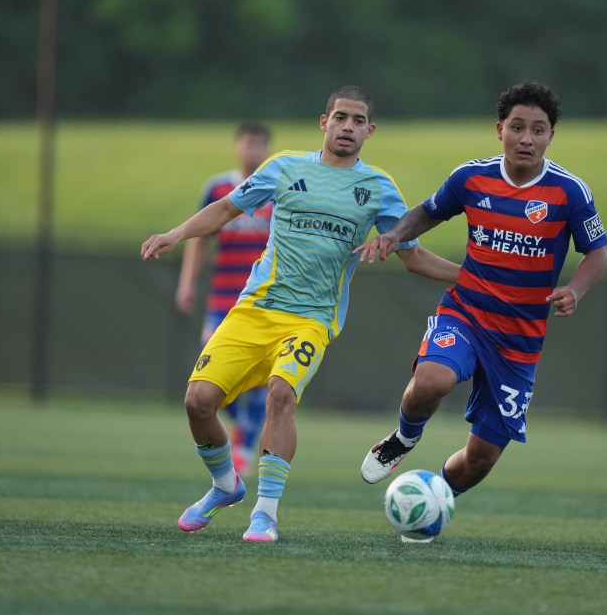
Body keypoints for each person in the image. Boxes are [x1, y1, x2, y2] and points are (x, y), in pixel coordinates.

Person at [141, 85, 460, 542]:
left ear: (370, 130)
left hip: (311, 319)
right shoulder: (285, 167)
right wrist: (177, 234)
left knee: (279, 395)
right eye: (340, 117)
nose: (348, 127)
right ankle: (225, 485)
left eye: (357, 121)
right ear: (324, 122)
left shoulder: (378, 189)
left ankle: (265, 513)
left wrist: (473, 277)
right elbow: (227, 208)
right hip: (253, 308)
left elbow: (413, 256)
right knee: (198, 401)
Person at [357, 81, 607, 535]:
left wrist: (577, 288)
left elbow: (598, 252)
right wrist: (396, 234)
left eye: (538, 129)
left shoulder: (569, 192)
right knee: (431, 379)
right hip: (467, 312)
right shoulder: (472, 177)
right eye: (518, 127)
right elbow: (428, 211)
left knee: (480, 460)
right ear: (500, 130)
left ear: (552, 135)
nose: (527, 138)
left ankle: (433, 498)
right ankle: (403, 438)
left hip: (519, 340)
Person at [176, 121, 274, 478]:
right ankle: (245, 425)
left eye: (259, 145)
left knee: (262, 378)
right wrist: (187, 283)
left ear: (266, 149)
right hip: (222, 298)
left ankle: (244, 445)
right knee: (210, 370)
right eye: (247, 143)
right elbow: (200, 237)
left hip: (264, 301)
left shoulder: (277, 190)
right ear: (237, 146)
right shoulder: (218, 188)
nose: (252, 150)